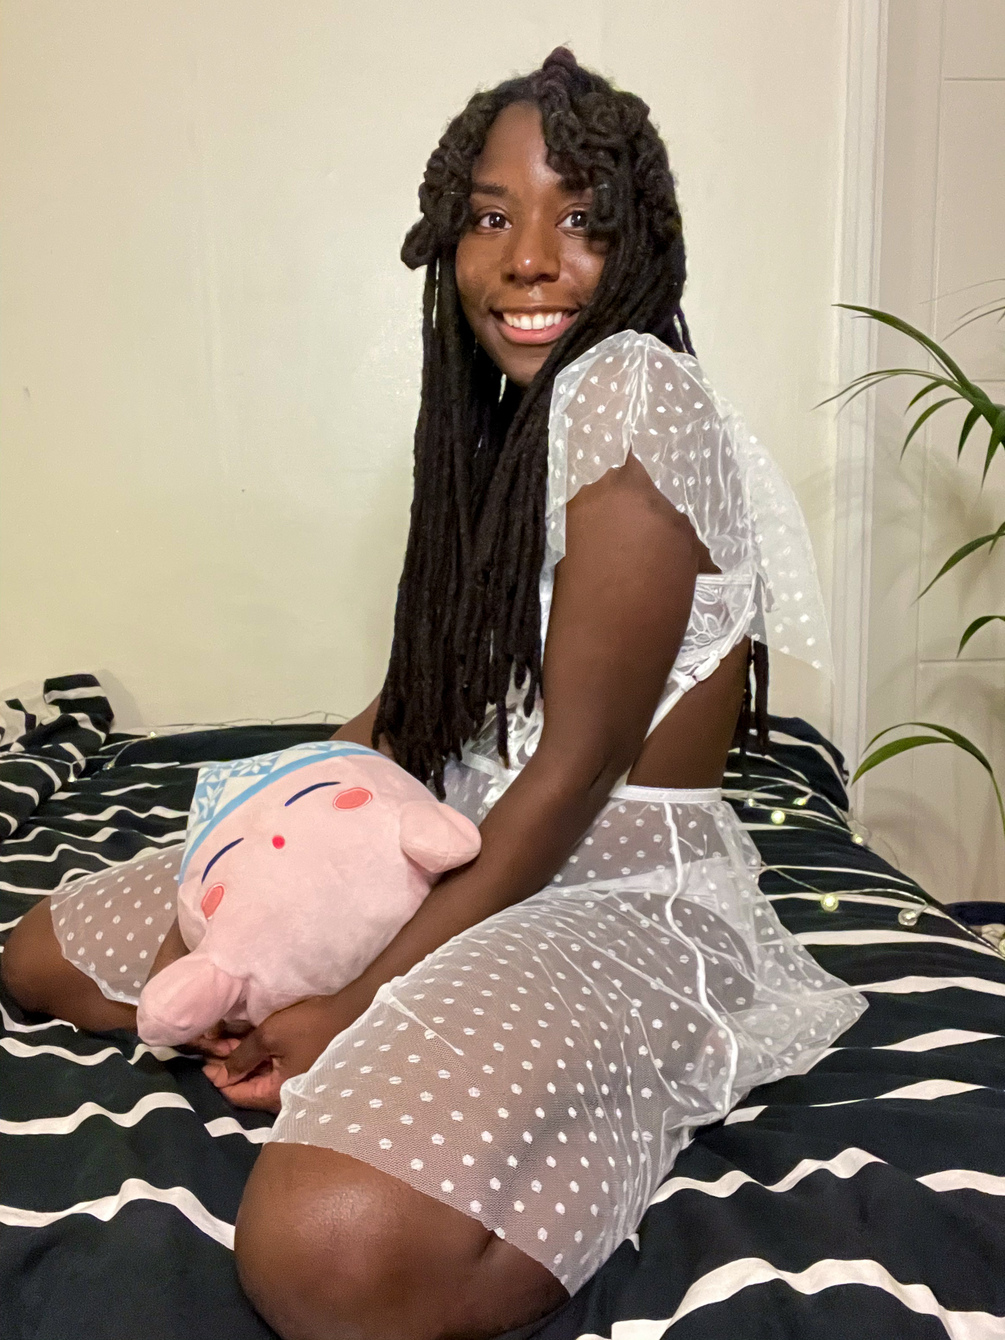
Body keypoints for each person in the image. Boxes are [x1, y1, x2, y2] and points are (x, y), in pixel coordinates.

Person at [3, 49, 865, 1340]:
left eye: (580, 219)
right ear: (447, 242)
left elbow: (574, 769)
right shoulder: (500, 425)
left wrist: (353, 1000)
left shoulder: (632, 386)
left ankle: (605, 1110)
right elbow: (424, 702)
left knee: (323, 1256)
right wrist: (250, 855)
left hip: (611, 886)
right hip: (454, 829)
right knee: (42, 959)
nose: (530, 259)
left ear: (639, 242)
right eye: (490, 216)